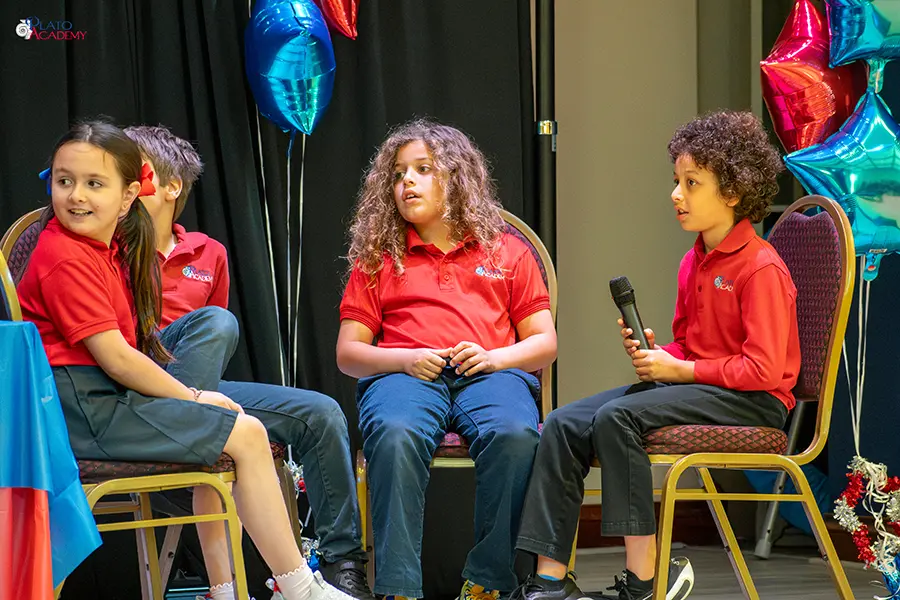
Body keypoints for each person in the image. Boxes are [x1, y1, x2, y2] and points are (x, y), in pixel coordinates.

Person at [16, 119, 352, 600]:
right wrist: (193, 397)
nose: (76, 196)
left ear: (129, 196)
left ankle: (289, 585)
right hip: (85, 410)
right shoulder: (66, 255)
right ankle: (296, 588)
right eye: (64, 181)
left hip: (104, 401)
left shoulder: (104, 249)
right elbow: (117, 359)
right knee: (245, 433)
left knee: (247, 425)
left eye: (94, 184)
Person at [512, 111, 796, 600]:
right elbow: (689, 346)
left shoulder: (760, 268)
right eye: (675, 181)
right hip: (703, 387)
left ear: (732, 192)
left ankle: (644, 581)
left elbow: (764, 369)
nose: (676, 194)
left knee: (618, 417)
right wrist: (659, 355)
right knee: (562, 423)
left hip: (755, 400)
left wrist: (679, 369)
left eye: (691, 183)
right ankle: (549, 582)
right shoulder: (693, 261)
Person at [119, 125, 374, 600]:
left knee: (320, 412)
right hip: (135, 384)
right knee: (216, 325)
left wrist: (198, 390)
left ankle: (341, 566)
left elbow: (211, 347)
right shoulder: (111, 247)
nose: (123, 183)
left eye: (134, 171)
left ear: (171, 186)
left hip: (194, 385)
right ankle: (198, 451)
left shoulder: (208, 253)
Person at [336, 119, 558, 600]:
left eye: (423, 169)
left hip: (490, 374)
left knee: (515, 436)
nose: (407, 182)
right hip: (406, 375)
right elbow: (348, 354)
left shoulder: (508, 250)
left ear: (456, 176)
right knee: (395, 433)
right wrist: (404, 359)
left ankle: (487, 582)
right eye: (398, 174)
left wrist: (494, 358)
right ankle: (398, 589)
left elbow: (544, 343)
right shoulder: (378, 257)